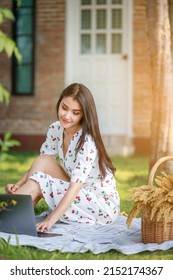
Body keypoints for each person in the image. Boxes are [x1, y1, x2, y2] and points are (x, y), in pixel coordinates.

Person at [6, 83, 120, 232]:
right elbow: (42, 164)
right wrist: (18, 184)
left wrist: (51, 220)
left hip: (99, 203)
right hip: (78, 190)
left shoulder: (87, 142)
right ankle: (18, 210)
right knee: (43, 160)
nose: (67, 116)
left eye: (75, 112)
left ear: (84, 114)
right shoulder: (56, 128)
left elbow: (75, 187)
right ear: (59, 103)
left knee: (39, 183)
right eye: (64, 108)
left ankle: (8, 214)